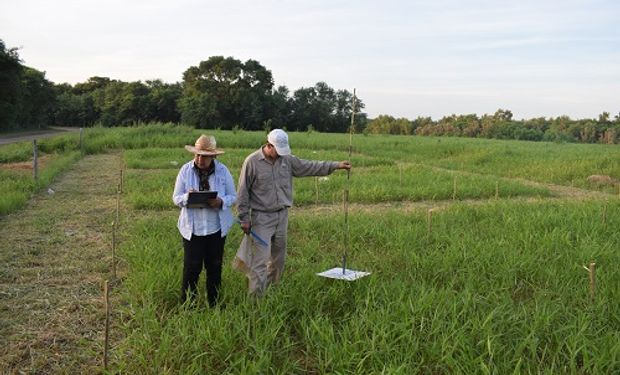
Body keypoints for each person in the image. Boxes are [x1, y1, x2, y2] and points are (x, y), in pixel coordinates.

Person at [234, 129, 351, 296]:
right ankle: (256, 301)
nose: (281, 154)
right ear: (269, 145)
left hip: (282, 216)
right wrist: (244, 218)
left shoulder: (287, 160)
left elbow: (309, 166)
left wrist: (335, 165)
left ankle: (272, 292)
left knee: (278, 260)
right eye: (277, 150)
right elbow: (243, 192)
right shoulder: (252, 162)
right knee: (260, 261)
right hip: (261, 218)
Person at [172, 134, 236, 307]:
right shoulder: (186, 170)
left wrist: (221, 201)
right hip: (192, 229)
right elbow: (176, 198)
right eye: (197, 154)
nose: (200, 159)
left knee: (215, 267)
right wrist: (188, 197)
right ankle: (188, 306)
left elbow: (233, 196)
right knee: (191, 268)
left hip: (216, 228)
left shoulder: (223, 171)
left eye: (205, 156)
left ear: (213, 156)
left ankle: (214, 303)